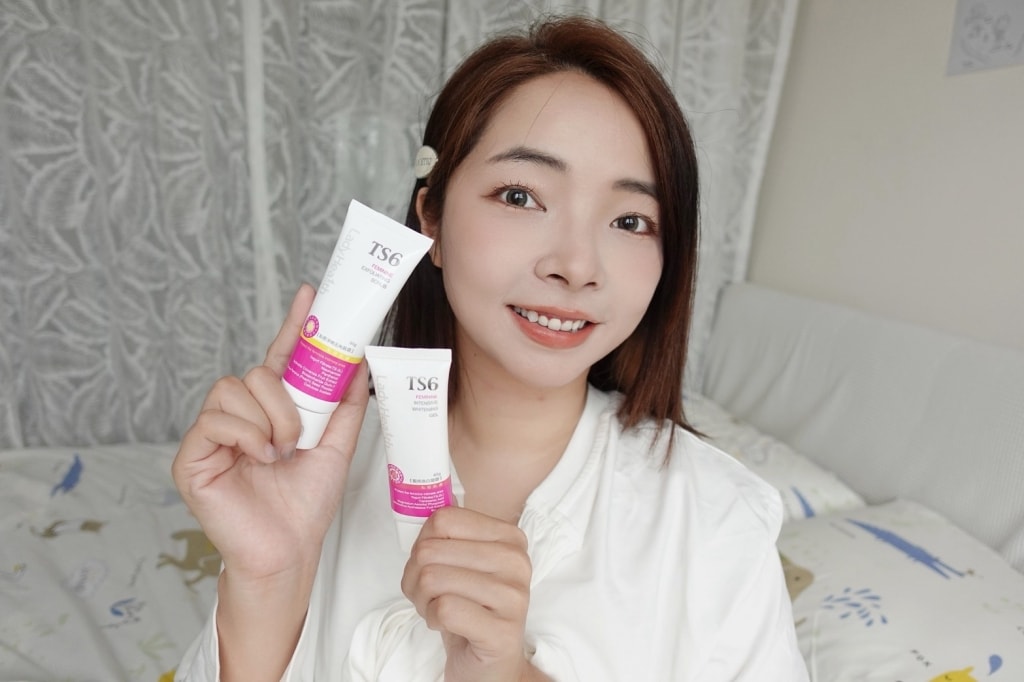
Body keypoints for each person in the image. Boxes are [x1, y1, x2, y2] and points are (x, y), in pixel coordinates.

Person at [173, 14, 809, 682]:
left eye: (629, 220)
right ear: (432, 221)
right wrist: (267, 581)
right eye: (520, 196)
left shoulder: (716, 519)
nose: (576, 266)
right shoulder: (309, 468)